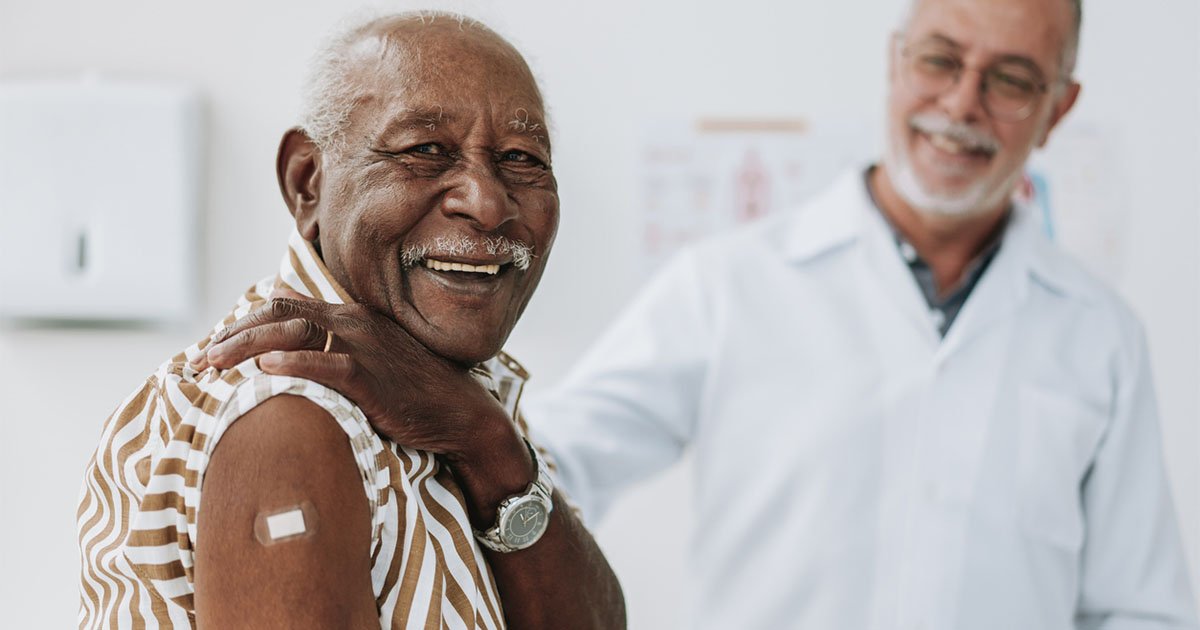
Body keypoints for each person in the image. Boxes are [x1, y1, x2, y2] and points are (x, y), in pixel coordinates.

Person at [202, 0, 1199, 628]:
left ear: (1058, 109)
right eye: (941, 59)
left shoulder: (1098, 335)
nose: (963, 102)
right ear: (897, 62)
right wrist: (436, 393)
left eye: (1012, 79)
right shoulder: (732, 284)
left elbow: (1138, 606)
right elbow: (548, 464)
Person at [77, 12, 625, 629]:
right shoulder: (285, 413)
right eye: (425, 150)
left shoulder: (461, 395)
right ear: (307, 180)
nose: (488, 203)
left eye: (522, 158)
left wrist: (487, 440)